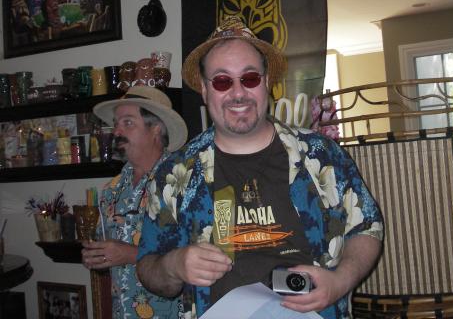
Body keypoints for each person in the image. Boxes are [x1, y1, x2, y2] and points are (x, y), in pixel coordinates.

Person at [137, 16, 384, 318]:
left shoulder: (322, 155)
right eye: (222, 81)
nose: (238, 93)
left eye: (250, 78)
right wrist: (174, 265)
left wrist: (340, 281)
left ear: (267, 83)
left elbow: (367, 227)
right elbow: (147, 267)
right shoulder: (173, 174)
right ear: (204, 89)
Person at [81, 85, 188, 317]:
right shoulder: (111, 190)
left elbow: (196, 253)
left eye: (127, 122)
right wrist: (96, 256)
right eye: (115, 124)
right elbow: (108, 253)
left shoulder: (182, 181)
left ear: (156, 129)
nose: (117, 131)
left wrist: (130, 254)